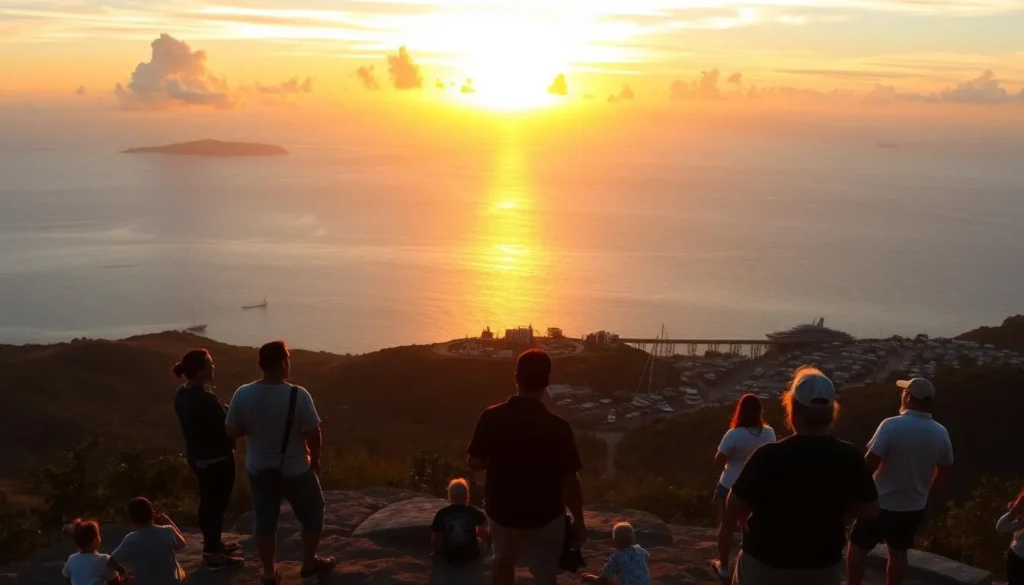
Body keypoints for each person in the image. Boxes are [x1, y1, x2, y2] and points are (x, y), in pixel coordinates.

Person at [725, 367, 879, 585]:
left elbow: (734, 506)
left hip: (764, 564)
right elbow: (870, 510)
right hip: (821, 566)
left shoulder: (768, 456)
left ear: (792, 410)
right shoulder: (850, 457)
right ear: (831, 412)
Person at [467, 348, 587, 585]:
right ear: (547, 382)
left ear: (516, 377)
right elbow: (569, 479)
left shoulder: (491, 416)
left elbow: (474, 463)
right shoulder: (558, 426)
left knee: (502, 562)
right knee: (545, 573)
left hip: (502, 512)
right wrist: (579, 521)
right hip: (546, 515)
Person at [225, 340, 334, 585]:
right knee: (312, 513)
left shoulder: (243, 393)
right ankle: (308, 563)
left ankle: (267, 571)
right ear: (284, 363)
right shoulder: (298, 394)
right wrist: (315, 458)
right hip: (296, 468)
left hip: (259, 468)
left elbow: (232, 430)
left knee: (265, 520)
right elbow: (313, 432)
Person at [847, 377, 954, 585]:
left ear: (908, 397)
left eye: (903, 392)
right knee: (898, 554)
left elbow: (869, 464)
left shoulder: (891, 425)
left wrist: (857, 494)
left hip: (880, 502)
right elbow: (945, 470)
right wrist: (927, 495)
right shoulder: (940, 432)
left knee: (858, 547)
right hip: (913, 506)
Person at [171, 349, 243, 570]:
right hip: (217, 459)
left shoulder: (182, 394)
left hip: (198, 457)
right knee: (216, 505)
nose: (214, 366)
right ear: (200, 371)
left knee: (208, 502)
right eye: (210, 364)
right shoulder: (206, 399)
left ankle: (213, 544)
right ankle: (212, 554)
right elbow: (229, 429)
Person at [711, 394, 776, 580]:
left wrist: (733, 459)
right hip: (758, 486)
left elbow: (719, 459)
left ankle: (723, 567)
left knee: (727, 525)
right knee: (749, 524)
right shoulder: (769, 433)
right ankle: (747, 560)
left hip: (731, 483)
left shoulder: (734, 434)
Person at [110, 497, 187, 585]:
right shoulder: (168, 531)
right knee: (180, 570)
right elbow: (182, 544)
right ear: (153, 514)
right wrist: (168, 521)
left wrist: (123, 571)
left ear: (131, 519)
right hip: (171, 582)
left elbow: (112, 561)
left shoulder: (131, 539)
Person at [431, 478, 489, 565]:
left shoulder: (442, 513)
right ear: (467, 495)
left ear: (450, 496)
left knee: (440, 533)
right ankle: (480, 556)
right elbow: (485, 529)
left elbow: (436, 536)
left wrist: (435, 552)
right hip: (471, 556)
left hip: (448, 557)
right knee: (481, 531)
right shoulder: (473, 512)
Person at [581, 522, 651, 585]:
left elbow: (603, 579)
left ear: (615, 540)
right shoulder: (639, 550)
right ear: (633, 538)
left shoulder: (616, 558)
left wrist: (592, 578)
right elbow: (648, 557)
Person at [62, 519, 125, 585]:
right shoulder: (104, 559)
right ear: (94, 540)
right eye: (98, 535)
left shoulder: (71, 559)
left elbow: (67, 582)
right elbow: (114, 583)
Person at [997, 488, 1024, 585]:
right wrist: (1014, 512)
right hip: (1016, 557)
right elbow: (1001, 526)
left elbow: (1001, 526)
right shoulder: (1021, 522)